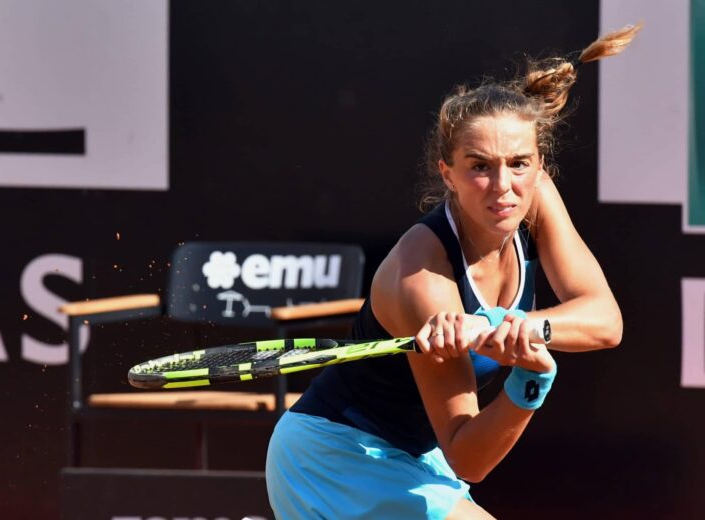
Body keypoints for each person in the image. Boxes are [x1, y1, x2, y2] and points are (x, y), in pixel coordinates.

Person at [266, 24, 640, 520]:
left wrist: (521, 326)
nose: (503, 186)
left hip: (416, 457)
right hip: (336, 460)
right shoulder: (421, 276)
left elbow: (605, 321)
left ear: (539, 164)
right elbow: (468, 457)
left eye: (519, 163)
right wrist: (529, 381)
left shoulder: (536, 196)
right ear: (448, 173)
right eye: (479, 166)